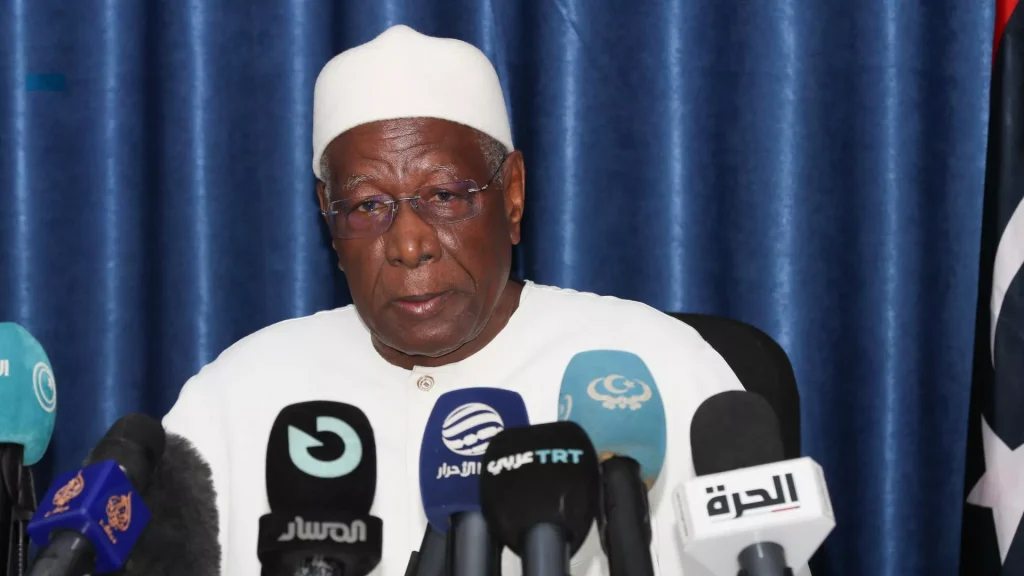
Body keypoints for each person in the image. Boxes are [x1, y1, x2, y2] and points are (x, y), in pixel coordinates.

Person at [162, 24, 780, 576]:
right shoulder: (232, 399)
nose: (409, 245)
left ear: (512, 195)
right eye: (368, 206)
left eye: (445, 196)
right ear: (329, 217)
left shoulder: (659, 369)